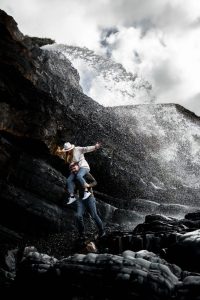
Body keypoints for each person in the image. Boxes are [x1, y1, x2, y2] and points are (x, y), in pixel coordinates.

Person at [69, 162, 105, 239]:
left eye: (74, 168)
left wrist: (88, 185)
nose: (73, 170)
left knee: (94, 216)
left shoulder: (85, 174)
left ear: (78, 167)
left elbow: (95, 182)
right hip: (81, 199)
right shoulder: (74, 177)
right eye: (71, 169)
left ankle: (102, 231)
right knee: (78, 216)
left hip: (89, 198)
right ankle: (82, 234)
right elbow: (75, 188)